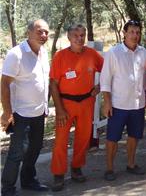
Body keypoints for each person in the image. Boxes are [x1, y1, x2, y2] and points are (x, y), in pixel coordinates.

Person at [49, 24, 104, 191]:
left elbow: (107, 70)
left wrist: (100, 86)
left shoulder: (92, 54)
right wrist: (59, 109)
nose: (80, 38)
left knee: (83, 138)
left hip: (87, 102)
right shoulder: (60, 56)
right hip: (65, 104)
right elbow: (53, 83)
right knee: (60, 141)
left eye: (82, 35)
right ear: (69, 37)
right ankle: (58, 174)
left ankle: (76, 168)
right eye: (76, 35)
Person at [1, 20, 50, 196]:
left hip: (39, 112)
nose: (43, 35)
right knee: (17, 152)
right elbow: (4, 84)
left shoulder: (43, 52)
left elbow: (43, 81)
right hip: (20, 114)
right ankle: (7, 189)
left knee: (35, 148)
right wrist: (7, 113)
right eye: (39, 32)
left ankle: (28, 181)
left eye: (46, 32)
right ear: (29, 32)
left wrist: (45, 107)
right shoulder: (16, 54)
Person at [99, 20, 146, 181]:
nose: (135, 35)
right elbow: (105, 79)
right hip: (118, 104)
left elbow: (145, 77)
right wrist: (106, 102)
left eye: (138, 32)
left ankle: (131, 164)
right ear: (124, 33)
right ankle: (109, 168)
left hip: (137, 104)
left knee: (134, 136)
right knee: (112, 138)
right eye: (132, 32)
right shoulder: (114, 53)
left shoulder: (144, 53)